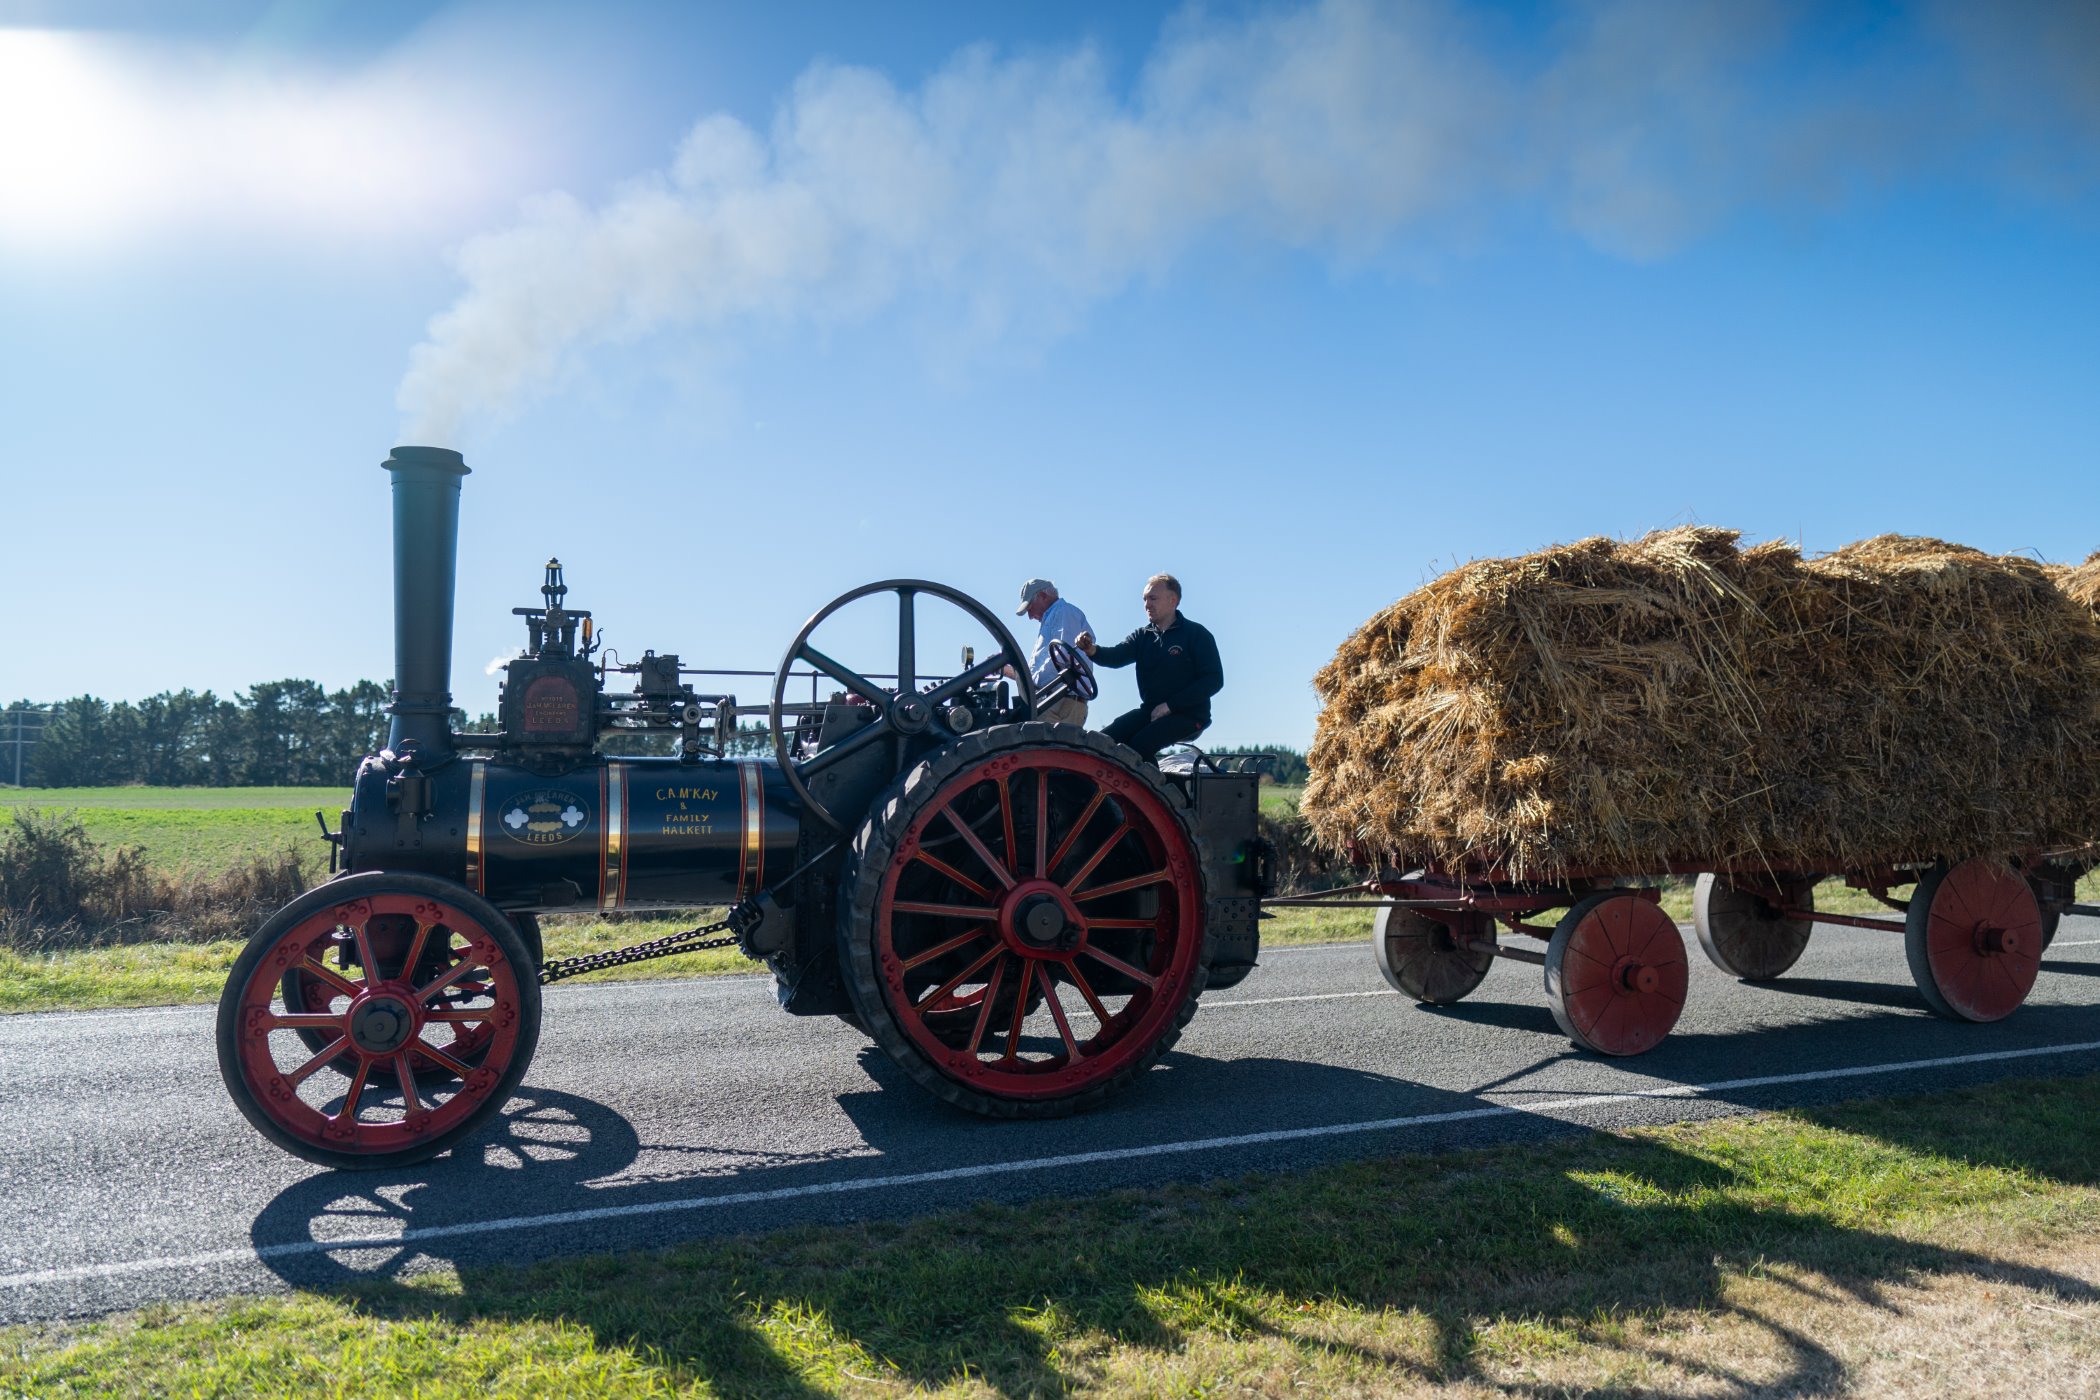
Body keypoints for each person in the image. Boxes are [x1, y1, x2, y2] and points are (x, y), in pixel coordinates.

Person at [1075, 572, 1222, 761]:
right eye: (1145, 599)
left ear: (1172, 600)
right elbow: (1116, 657)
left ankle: (1156, 791)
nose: (1147, 604)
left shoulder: (1196, 635)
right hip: (1151, 711)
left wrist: (1171, 705)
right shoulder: (1142, 637)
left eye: (1153, 598)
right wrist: (1091, 650)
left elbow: (1214, 680)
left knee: (1139, 746)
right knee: (1101, 742)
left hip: (1189, 715)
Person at [1015, 577, 1093, 726]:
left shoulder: (1064, 613)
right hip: (1054, 700)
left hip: (1061, 704)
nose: (1030, 616)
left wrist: (1029, 680)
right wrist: (1016, 672)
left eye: (1030, 608)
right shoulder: (1054, 618)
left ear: (1043, 596)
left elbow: (1062, 658)